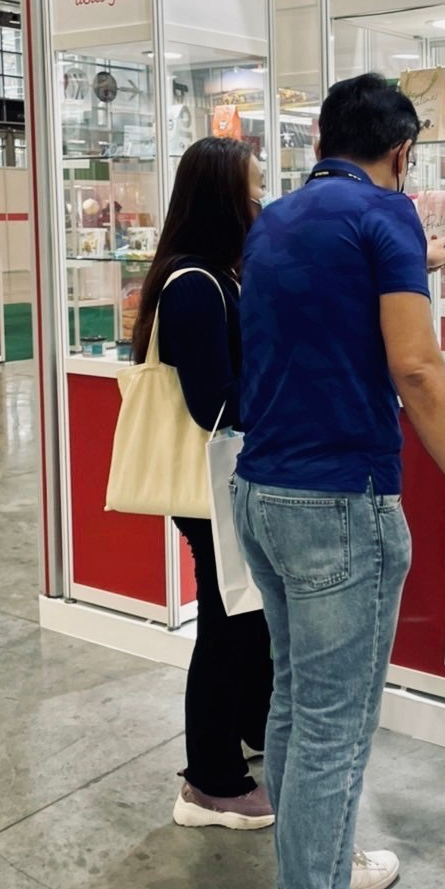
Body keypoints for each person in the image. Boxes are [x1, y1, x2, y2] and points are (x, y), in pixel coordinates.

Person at [233, 73, 445, 889]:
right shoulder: (388, 219)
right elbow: (416, 366)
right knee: (334, 726)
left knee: (296, 703)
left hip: (261, 491)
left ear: (321, 141)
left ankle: (313, 875)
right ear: (402, 151)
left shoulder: (273, 221)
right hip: (339, 499)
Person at [131, 137, 275, 831]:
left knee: (245, 616)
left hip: (228, 478)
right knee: (225, 624)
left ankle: (247, 731)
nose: (261, 200)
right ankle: (209, 783)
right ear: (223, 197)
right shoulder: (194, 284)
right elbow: (213, 403)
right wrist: (282, 390)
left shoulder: (220, 275)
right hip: (209, 480)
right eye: (253, 188)